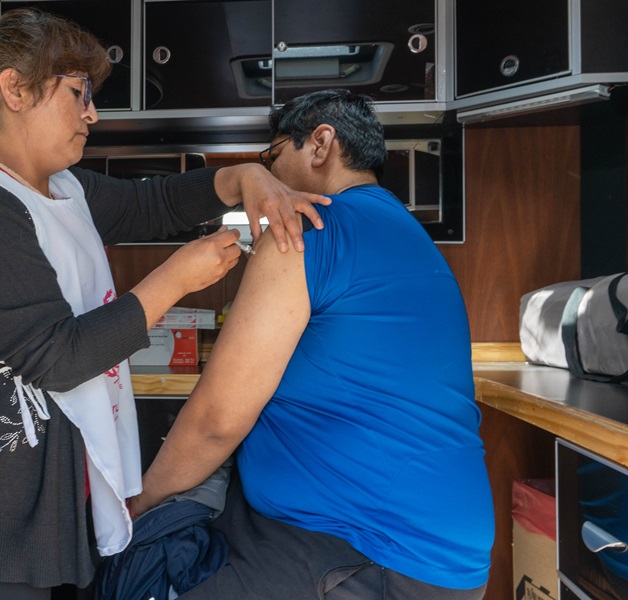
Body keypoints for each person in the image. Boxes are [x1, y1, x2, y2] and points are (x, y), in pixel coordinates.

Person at [0, 8, 329, 599]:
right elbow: (55, 356)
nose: (92, 112)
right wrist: (175, 280)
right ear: (14, 89)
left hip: (42, 508)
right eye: (78, 93)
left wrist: (241, 178)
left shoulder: (59, 187)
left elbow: (152, 204)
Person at [129, 89, 496, 599]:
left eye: (273, 156)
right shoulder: (407, 234)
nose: (269, 177)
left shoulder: (306, 227)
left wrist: (138, 502)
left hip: (369, 553)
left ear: (320, 144)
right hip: (426, 549)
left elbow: (217, 420)